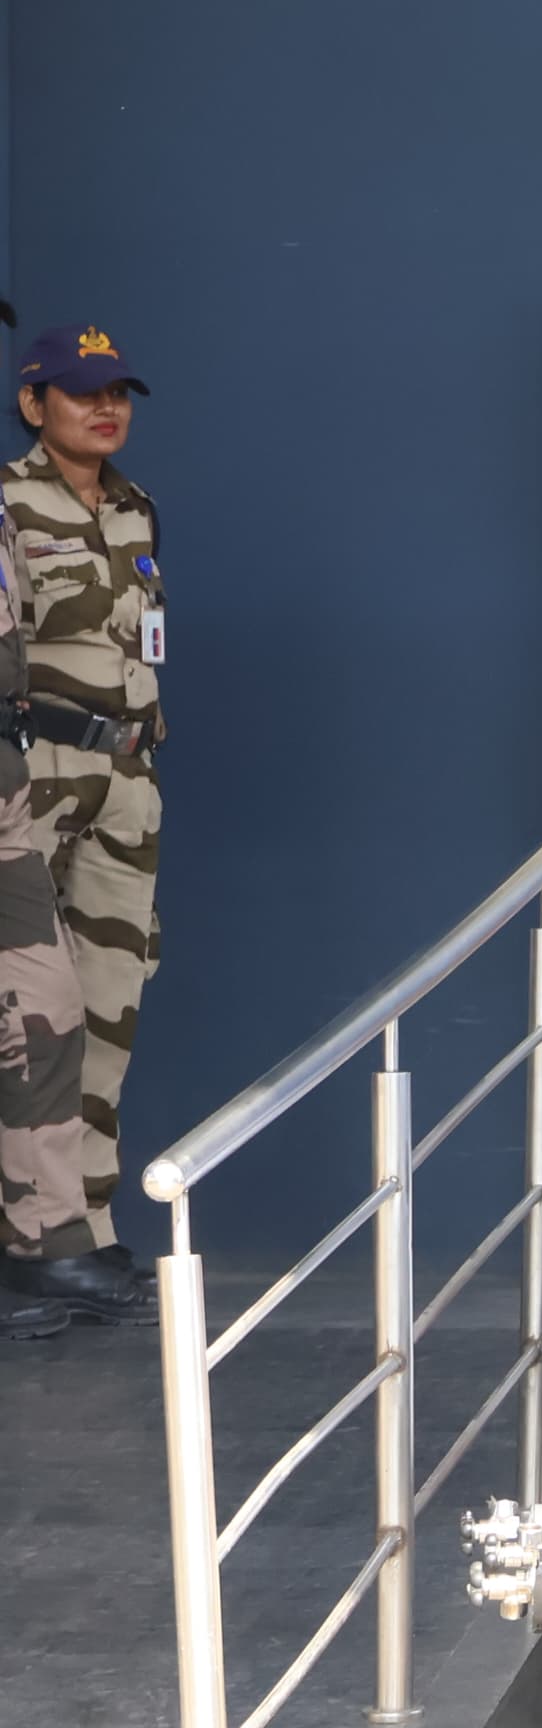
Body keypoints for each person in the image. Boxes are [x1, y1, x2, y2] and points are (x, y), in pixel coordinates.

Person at [1, 325, 152, 1319]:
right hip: (33, 770)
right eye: (82, 392)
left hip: (126, 772)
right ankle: (32, 1235)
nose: (106, 408)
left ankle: (83, 1230)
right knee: (34, 1008)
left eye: (118, 393)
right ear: (33, 404)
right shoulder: (11, 503)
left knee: (109, 1001)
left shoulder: (135, 507)